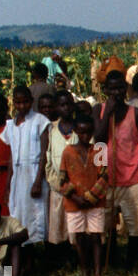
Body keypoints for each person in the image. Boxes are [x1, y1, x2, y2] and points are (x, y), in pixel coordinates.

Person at [94, 65, 138, 269]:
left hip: (132, 177)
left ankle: (130, 263)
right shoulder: (99, 110)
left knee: (136, 226)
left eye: (119, 89)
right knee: (106, 225)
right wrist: (108, 114)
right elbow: (98, 138)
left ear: (126, 89)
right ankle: (110, 261)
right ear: (105, 90)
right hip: (106, 177)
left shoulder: (136, 113)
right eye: (111, 89)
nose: (116, 93)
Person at [58, 104, 109, 276]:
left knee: (96, 237)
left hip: (96, 201)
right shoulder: (68, 151)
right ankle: (85, 271)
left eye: (88, 132)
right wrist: (76, 198)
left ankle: (97, 272)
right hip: (74, 203)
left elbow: (105, 176)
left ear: (93, 131)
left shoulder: (100, 148)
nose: (85, 136)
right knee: (78, 238)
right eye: (81, 132)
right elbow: (62, 180)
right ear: (75, 132)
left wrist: (90, 197)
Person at [2, 85, 49, 247]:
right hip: (18, 178)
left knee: (35, 214)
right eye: (18, 103)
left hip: (34, 174)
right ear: (13, 103)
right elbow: (11, 157)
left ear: (31, 101)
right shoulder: (10, 125)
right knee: (18, 213)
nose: (22, 106)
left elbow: (44, 153)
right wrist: (8, 184)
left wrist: (38, 181)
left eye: (25, 102)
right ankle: (22, 250)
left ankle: (37, 250)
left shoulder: (40, 121)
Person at [42, 89, 78, 249]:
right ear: (56, 107)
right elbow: (48, 162)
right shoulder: (51, 129)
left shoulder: (82, 127)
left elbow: (97, 153)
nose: (66, 108)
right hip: (59, 188)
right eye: (62, 105)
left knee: (76, 227)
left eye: (69, 104)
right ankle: (61, 256)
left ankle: (79, 257)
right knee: (59, 224)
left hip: (79, 188)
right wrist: (59, 185)